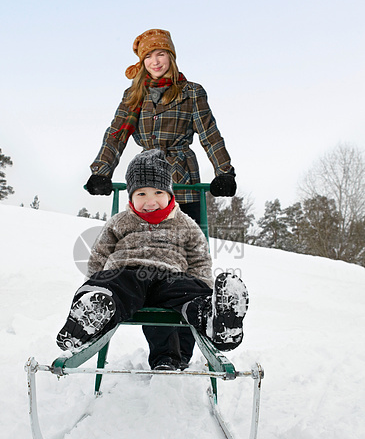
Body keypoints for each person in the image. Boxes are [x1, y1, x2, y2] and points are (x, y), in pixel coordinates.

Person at [83, 28, 238, 369]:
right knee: (146, 266)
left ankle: (183, 351)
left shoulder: (191, 92)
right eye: (149, 56)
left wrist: (224, 171)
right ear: (142, 61)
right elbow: (117, 134)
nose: (155, 61)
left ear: (171, 56)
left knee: (185, 268)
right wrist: (101, 171)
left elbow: (209, 132)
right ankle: (164, 355)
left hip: (183, 182)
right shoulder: (133, 95)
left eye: (161, 54)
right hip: (146, 182)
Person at [57, 150, 248, 371]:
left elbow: (199, 259)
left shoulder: (185, 224)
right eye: (141, 194)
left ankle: (213, 316)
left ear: (169, 193)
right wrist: (93, 281)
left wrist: (203, 286)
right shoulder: (120, 221)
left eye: (158, 192)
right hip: (127, 273)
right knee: (111, 285)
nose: (150, 202)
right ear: (131, 197)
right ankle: (90, 312)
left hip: (171, 277)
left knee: (188, 291)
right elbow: (100, 254)